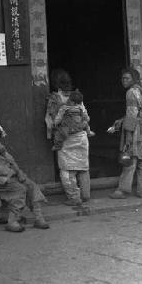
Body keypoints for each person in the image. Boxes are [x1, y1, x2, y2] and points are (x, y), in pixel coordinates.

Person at [0, 120, 50, 232]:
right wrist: (15, 174)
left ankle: (38, 218)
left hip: (9, 175)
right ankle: (12, 221)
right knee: (19, 189)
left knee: (31, 185)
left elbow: (10, 159)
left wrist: (19, 172)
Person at [108, 68, 142, 199]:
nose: (124, 80)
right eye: (123, 78)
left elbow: (131, 115)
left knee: (130, 160)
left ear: (134, 80)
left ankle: (123, 190)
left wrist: (129, 136)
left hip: (136, 130)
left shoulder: (131, 92)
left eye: (127, 78)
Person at [45, 69, 91, 206]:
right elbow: (86, 117)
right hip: (82, 137)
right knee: (83, 167)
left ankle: (73, 197)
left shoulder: (54, 99)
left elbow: (51, 121)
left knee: (66, 169)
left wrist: (51, 134)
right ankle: (86, 195)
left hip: (64, 137)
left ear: (55, 83)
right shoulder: (77, 97)